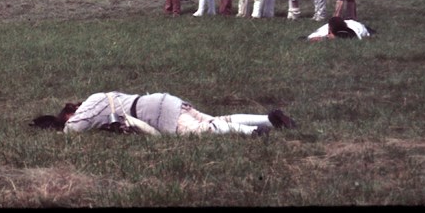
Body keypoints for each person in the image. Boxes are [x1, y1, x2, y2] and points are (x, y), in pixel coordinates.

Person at [33, 91, 296, 136]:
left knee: (203, 130)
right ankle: (268, 119)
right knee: (216, 119)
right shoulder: (96, 96)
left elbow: (73, 129)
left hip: (157, 112)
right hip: (163, 100)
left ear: (69, 113)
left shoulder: (81, 115)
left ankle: (253, 132)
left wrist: (61, 128)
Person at [307, 16, 375, 41]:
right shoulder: (323, 30)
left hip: (361, 26)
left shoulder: (355, 30)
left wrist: (331, 38)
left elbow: (351, 36)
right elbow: (308, 38)